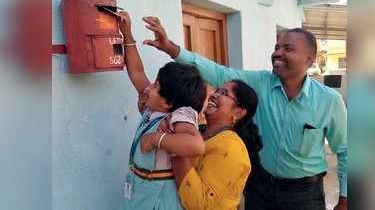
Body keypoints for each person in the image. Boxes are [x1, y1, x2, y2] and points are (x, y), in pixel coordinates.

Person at [142, 16, 348, 210]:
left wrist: (346, 198)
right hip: (260, 186)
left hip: (304, 194)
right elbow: (217, 72)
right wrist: (171, 48)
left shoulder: (329, 101)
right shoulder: (261, 82)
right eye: (276, 47)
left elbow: (346, 151)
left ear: (310, 59)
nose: (277, 53)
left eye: (288, 48)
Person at [117, 12, 207, 210]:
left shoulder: (180, 114)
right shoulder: (154, 107)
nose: (148, 88)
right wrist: (127, 35)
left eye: (156, 86)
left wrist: (154, 139)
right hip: (141, 188)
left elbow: (196, 145)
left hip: (159, 196)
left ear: (170, 102)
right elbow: (137, 73)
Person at [144, 79, 261, 210]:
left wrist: (176, 145)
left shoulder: (232, 149)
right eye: (216, 90)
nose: (214, 95)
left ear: (238, 112)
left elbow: (199, 203)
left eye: (224, 93)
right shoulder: (199, 130)